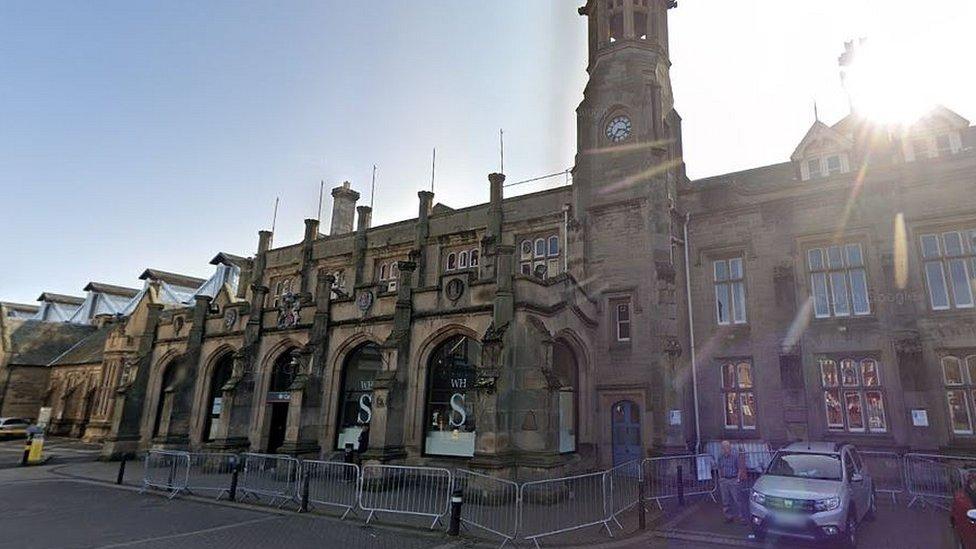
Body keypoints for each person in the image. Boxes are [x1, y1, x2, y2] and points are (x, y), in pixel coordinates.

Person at [716, 440, 747, 523]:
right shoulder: (720, 456)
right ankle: (728, 517)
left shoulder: (735, 456)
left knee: (737, 500)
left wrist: (738, 479)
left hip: (733, 479)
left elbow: (740, 468)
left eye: (727, 447)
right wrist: (720, 478)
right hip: (724, 480)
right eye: (724, 448)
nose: (726, 449)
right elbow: (719, 467)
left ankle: (742, 517)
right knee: (725, 500)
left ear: (730, 447)